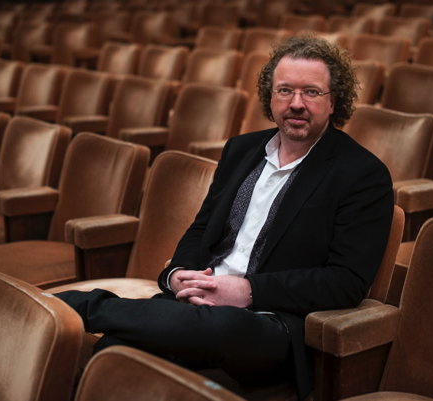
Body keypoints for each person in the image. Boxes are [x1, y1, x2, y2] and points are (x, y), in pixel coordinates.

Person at [55, 35, 394, 399]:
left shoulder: (362, 174)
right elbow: (202, 227)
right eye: (284, 91)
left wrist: (249, 292)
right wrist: (176, 275)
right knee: (114, 352)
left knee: (219, 327)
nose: (296, 104)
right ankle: (123, 319)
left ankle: (78, 307)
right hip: (197, 303)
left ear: (334, 102)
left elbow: (346, 281)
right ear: (270, 97)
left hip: (270, 320)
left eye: (311, 92)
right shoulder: (241, 149)